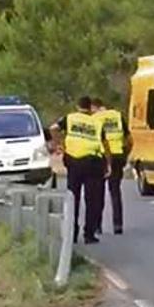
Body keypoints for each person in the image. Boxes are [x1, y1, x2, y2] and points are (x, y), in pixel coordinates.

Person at [51, 96, 108, 244]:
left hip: (74, 162)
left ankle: (72, 233)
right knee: (92, 201)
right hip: (93, 163)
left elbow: (53, 128)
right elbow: (105, 144)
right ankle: (89, 235)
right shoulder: (96, 122)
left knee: (72, 198)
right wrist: (108, 164)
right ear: (90, 108)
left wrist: (59, 145)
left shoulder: (70, 118)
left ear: (77, 106)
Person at [92, 98, 132, 235]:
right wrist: (126, 154)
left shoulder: (95, 118)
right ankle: (118, 225)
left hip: (102, 157)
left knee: (98, 192)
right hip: (118, 155)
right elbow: (129, 139)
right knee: (115, 192)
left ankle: (97, 226)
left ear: (94, 107)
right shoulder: (117, 115)